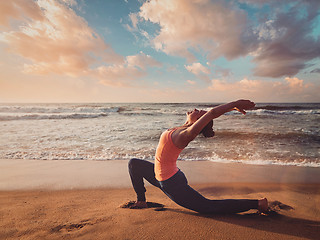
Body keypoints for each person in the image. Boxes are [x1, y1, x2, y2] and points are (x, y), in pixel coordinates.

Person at [128, 100, 268, 214]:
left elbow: (212, 113)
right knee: (134, 164)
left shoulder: (185, 135)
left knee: (207, 207)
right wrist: (231, 109)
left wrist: (234, 104)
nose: (195, 109)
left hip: (171, 184)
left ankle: (258, 203)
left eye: (199, 112)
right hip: (160, 177)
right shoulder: (180, 129)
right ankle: (141, 201)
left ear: (198, 122)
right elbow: (210, 115)